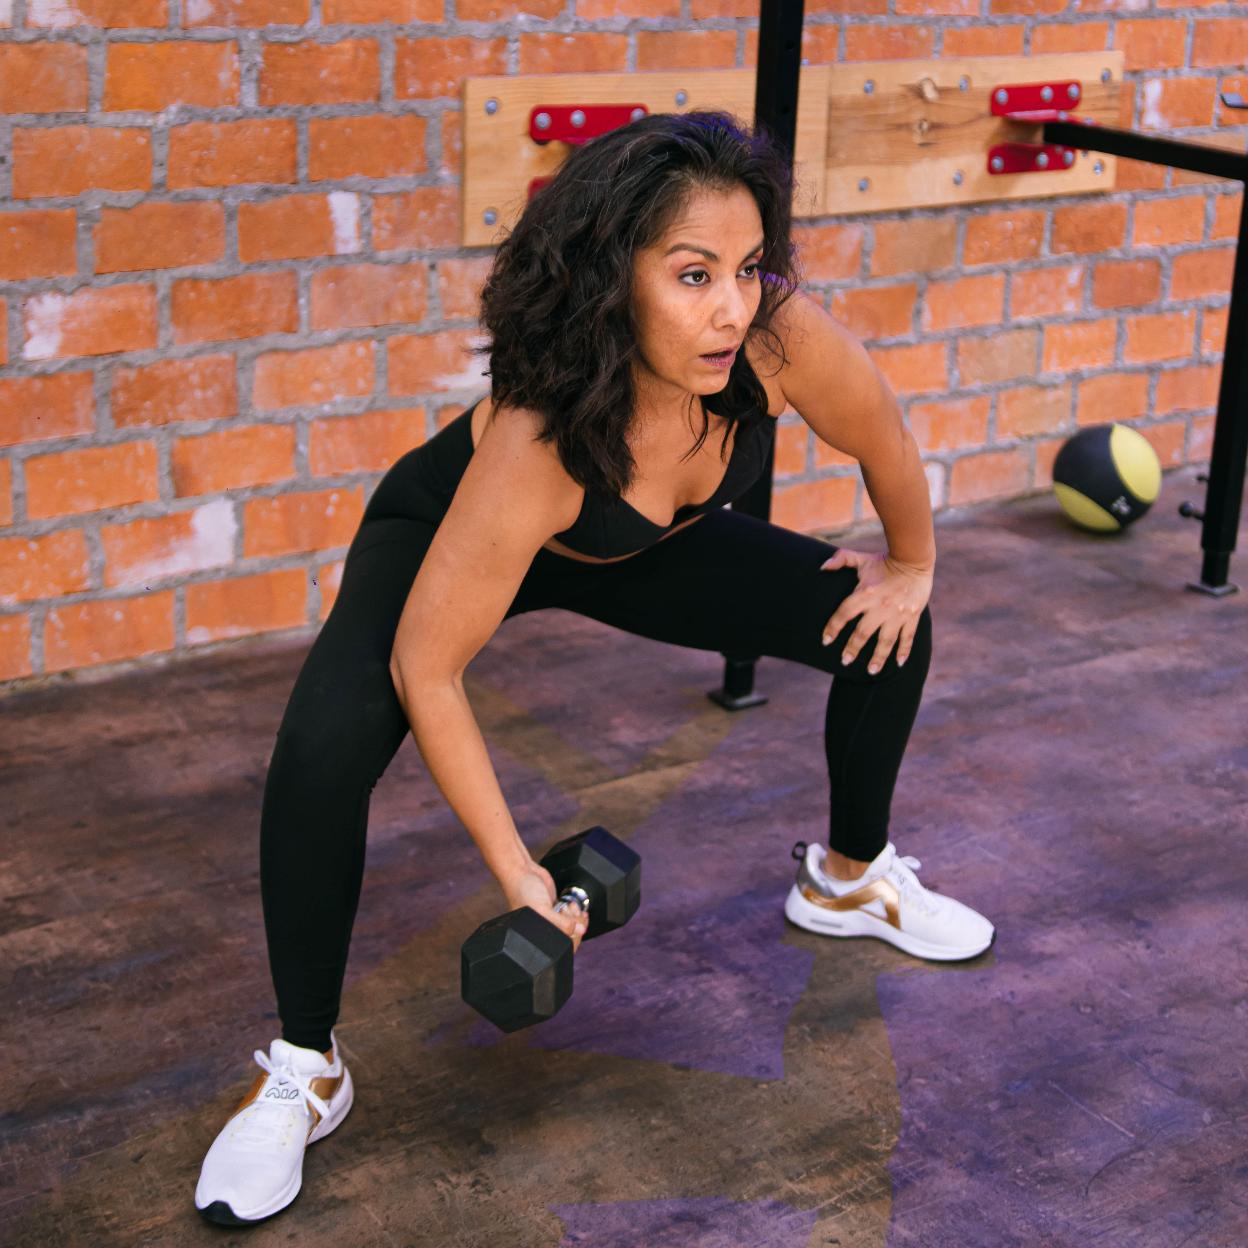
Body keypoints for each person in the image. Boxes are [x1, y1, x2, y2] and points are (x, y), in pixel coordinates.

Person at [194, 109, 995, 1226]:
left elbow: (884, 436)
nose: (730, 305)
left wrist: (911, 562)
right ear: (614, 276)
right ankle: (306, 1066)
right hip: (452, 534)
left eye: (750, 268)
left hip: (640, 548)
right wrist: (521, 873)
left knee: (881, 621)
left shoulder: (774, 338)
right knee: (322, 754)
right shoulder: (538, 436)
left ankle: (851, 879)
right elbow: (432, 671)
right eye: (692, 274)